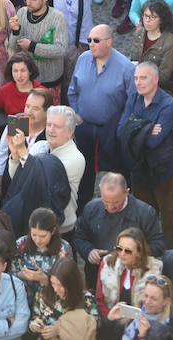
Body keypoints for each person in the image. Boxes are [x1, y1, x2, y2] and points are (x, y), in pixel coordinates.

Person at [68, 25, 135, 209]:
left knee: (116, 170)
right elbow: (72, 90)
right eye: (89, 40)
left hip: (111, 129)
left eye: (96, 40)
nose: (91, 44)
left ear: (109, 42)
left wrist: (120, 126)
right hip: (84, 125)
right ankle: (82, 208)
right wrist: (75, 113)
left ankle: (120, 205)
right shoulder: (82, 59)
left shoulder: (126, 68)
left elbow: (132, 101)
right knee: (84, 169)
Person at [118, 62, 173, 248]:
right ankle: (144, 252)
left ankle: (172, 253)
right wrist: (148, 127)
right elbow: (120, 131)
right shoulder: (134, 98)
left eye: (143, 78)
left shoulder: (168, 104)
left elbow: (155, 141)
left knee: (167, 215)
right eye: (136, 78)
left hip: (161, 168)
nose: (138, 82)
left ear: (156, 79)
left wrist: (134, 127)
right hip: (139, 166)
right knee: (143, 214)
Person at [74, 172, 165, 290]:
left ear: (127, 192)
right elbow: (79, 237)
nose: (110, 207)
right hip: (97, 275)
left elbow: (159, 244)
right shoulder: (92, 208)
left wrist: (134, 254)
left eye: (116, 202)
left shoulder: (144, 213)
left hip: (133, 276)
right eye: (105, 202)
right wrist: (89, 251)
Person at [28, 106, 85, 239]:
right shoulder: (39, 146)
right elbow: (17, 176)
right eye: (49, 124)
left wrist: (22, 155)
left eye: (57, 126)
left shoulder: (75, 158)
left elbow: (38, 179)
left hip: (61, 229)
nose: (51, 130)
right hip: (34, 224)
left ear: (70, 132)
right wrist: (15, 153)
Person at [7, 0, 68, 100]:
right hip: (26, 79)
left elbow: (61, 49)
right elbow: (12, 46)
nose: (28, 2)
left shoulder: (57, 17)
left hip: (49, 80)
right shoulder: (21, 12)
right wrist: (15, 32)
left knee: (49, 116)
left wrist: (32, 47)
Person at [95, 227, 162, 321]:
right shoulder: (107, 264)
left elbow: (155, 306)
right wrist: (109, 317)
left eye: (128, 251)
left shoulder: (153, 271)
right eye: (119, 248)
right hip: (111, 320)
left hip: (140, 324)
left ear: (138, 252)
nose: (122, 254)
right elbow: (100, 299)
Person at [29, 257, 99, 339]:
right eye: (53, 283)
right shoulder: (43, 292)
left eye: (60, 285)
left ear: (71, 284)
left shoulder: (87, 299)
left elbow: (92, 329)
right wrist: (34, 326)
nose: (55, 289)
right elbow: (35, 317)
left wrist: (59, 330)